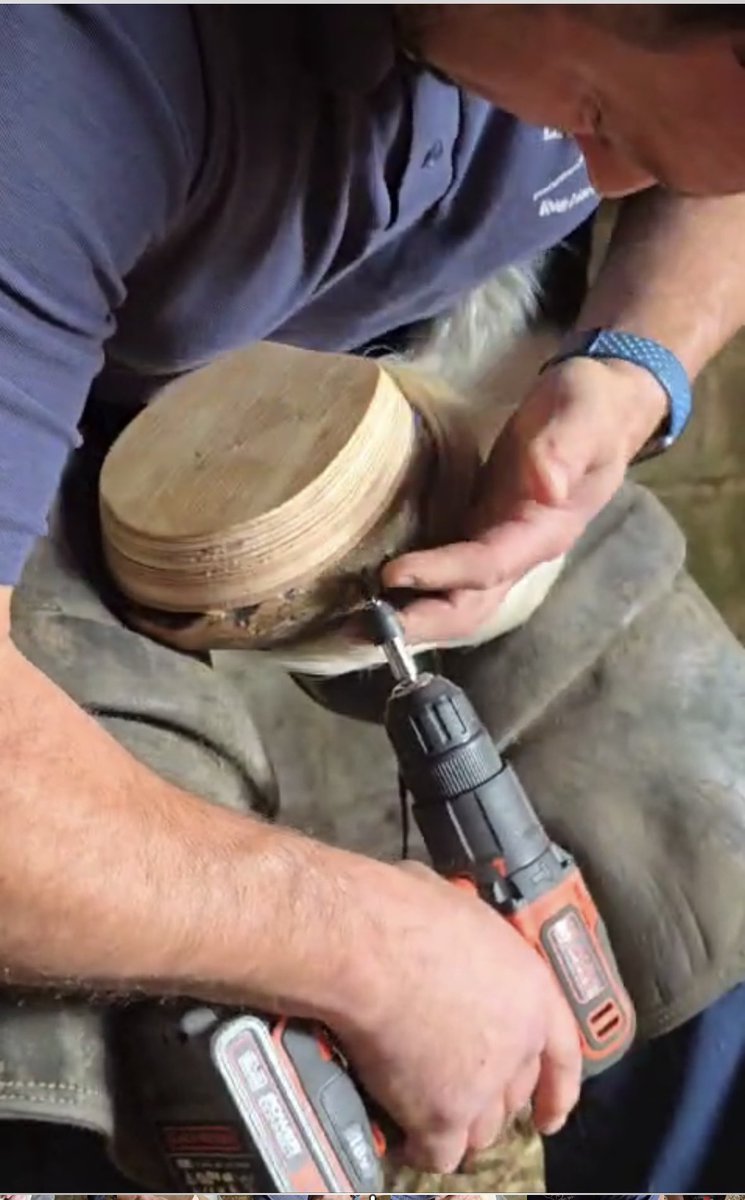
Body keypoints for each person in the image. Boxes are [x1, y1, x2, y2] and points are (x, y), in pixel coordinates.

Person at [2, 2, 745, 1191]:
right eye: (598, 118)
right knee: (105, 1058)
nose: (604, 180)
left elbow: (714, 175)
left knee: (701, 845)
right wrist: (363, 949)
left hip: (408, 393)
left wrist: (631, 364)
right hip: (55, 453)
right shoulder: (58, 72)